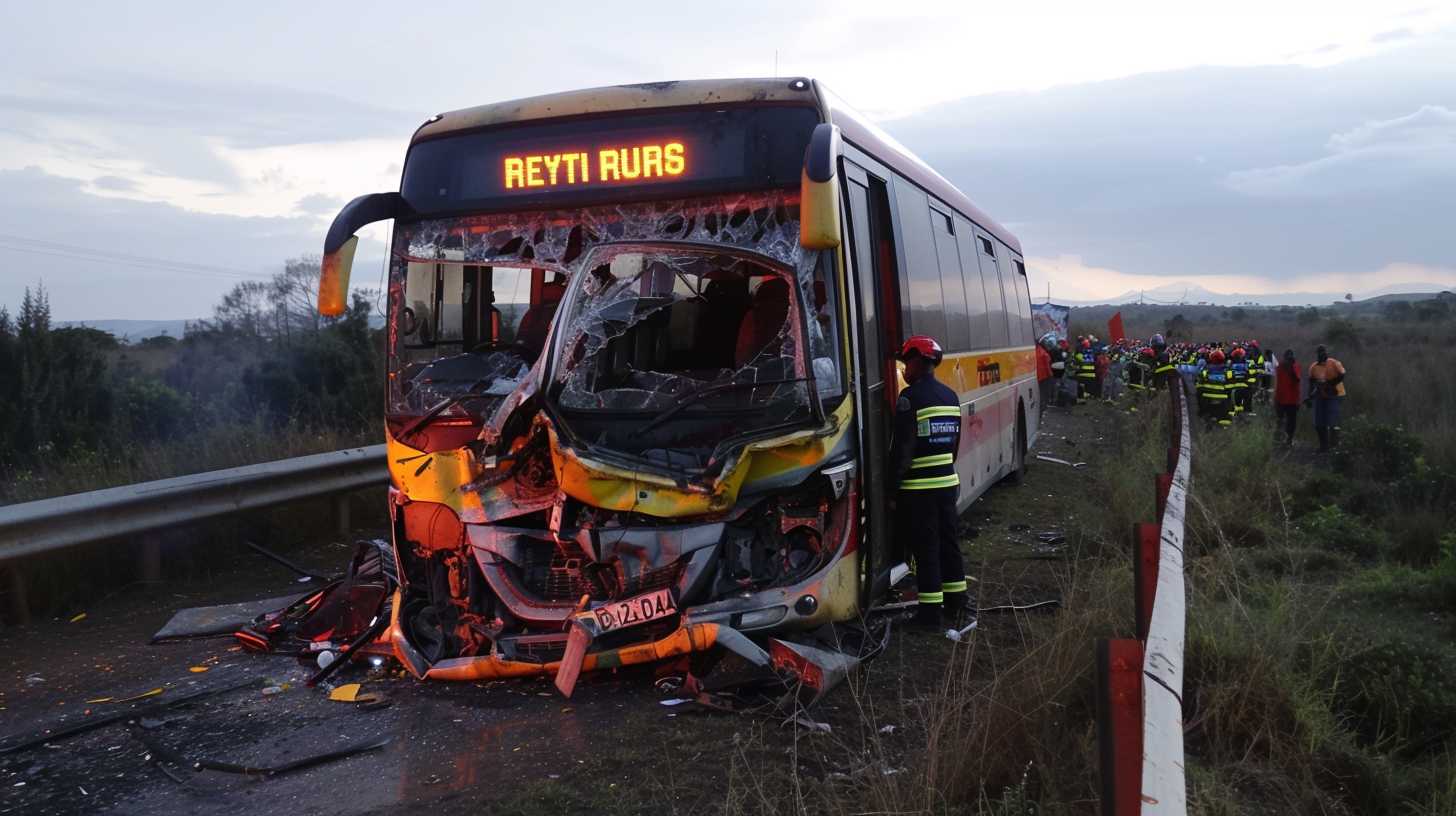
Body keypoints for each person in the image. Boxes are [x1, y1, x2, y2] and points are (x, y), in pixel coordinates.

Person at [891, 335, 967, 630]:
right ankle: (957, 603)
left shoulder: (909, 400)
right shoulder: (950, 397)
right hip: (947, 483)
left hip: (919, 489)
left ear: (920, 361)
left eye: (906, 362)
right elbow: (955, 446)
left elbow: (903, 449)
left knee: (926, 550)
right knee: (950, 544)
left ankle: (930, 615)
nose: (904, 369)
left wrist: (892, 489)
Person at [1305, 344, 1346, 452]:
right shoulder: (1313, 367)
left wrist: (1330, 384)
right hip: (1320, 395)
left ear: (1327, 353)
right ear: (1317, 354)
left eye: (1323, 351)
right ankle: (1324, 446)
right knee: (1319, 422)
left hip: (1335, 395)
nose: (1322, 354)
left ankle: (1335, 447)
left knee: (1333, 422)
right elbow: (1311, 383)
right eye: (1319, 352)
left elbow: (1342, 375)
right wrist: (1309, 397)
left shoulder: (1334, 363)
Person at [1197, 348, 1233, 428]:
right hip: (1223, 397)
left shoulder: (1205, 369)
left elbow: (1200, 379)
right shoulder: (1227, 370)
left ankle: (1204, 416)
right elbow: (1231, 382)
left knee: (1199, 393)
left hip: (1207, 397)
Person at [1274, 348, 1301, 445]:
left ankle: (1289, 439)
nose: (1288, 360)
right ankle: (1279, 439)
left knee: (1291, 421)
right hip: (1280, 399)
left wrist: (1291, 367)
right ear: (1284, 358)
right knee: (1280, 420)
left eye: (1290, 357)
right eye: (1287, 357)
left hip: (1293, 400)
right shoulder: (1280, 366)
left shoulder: (1296, 366)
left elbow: (1297, 379)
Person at [1035, 334, 1055, 416]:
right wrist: (1051, 375)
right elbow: (1047, 366)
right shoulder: (1044, 353)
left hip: (1036, 376)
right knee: (1043, 394)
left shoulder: (1034, 352)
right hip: (1044, 377)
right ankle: (1042, 410)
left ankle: (1040, 410)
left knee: (1038, 394)